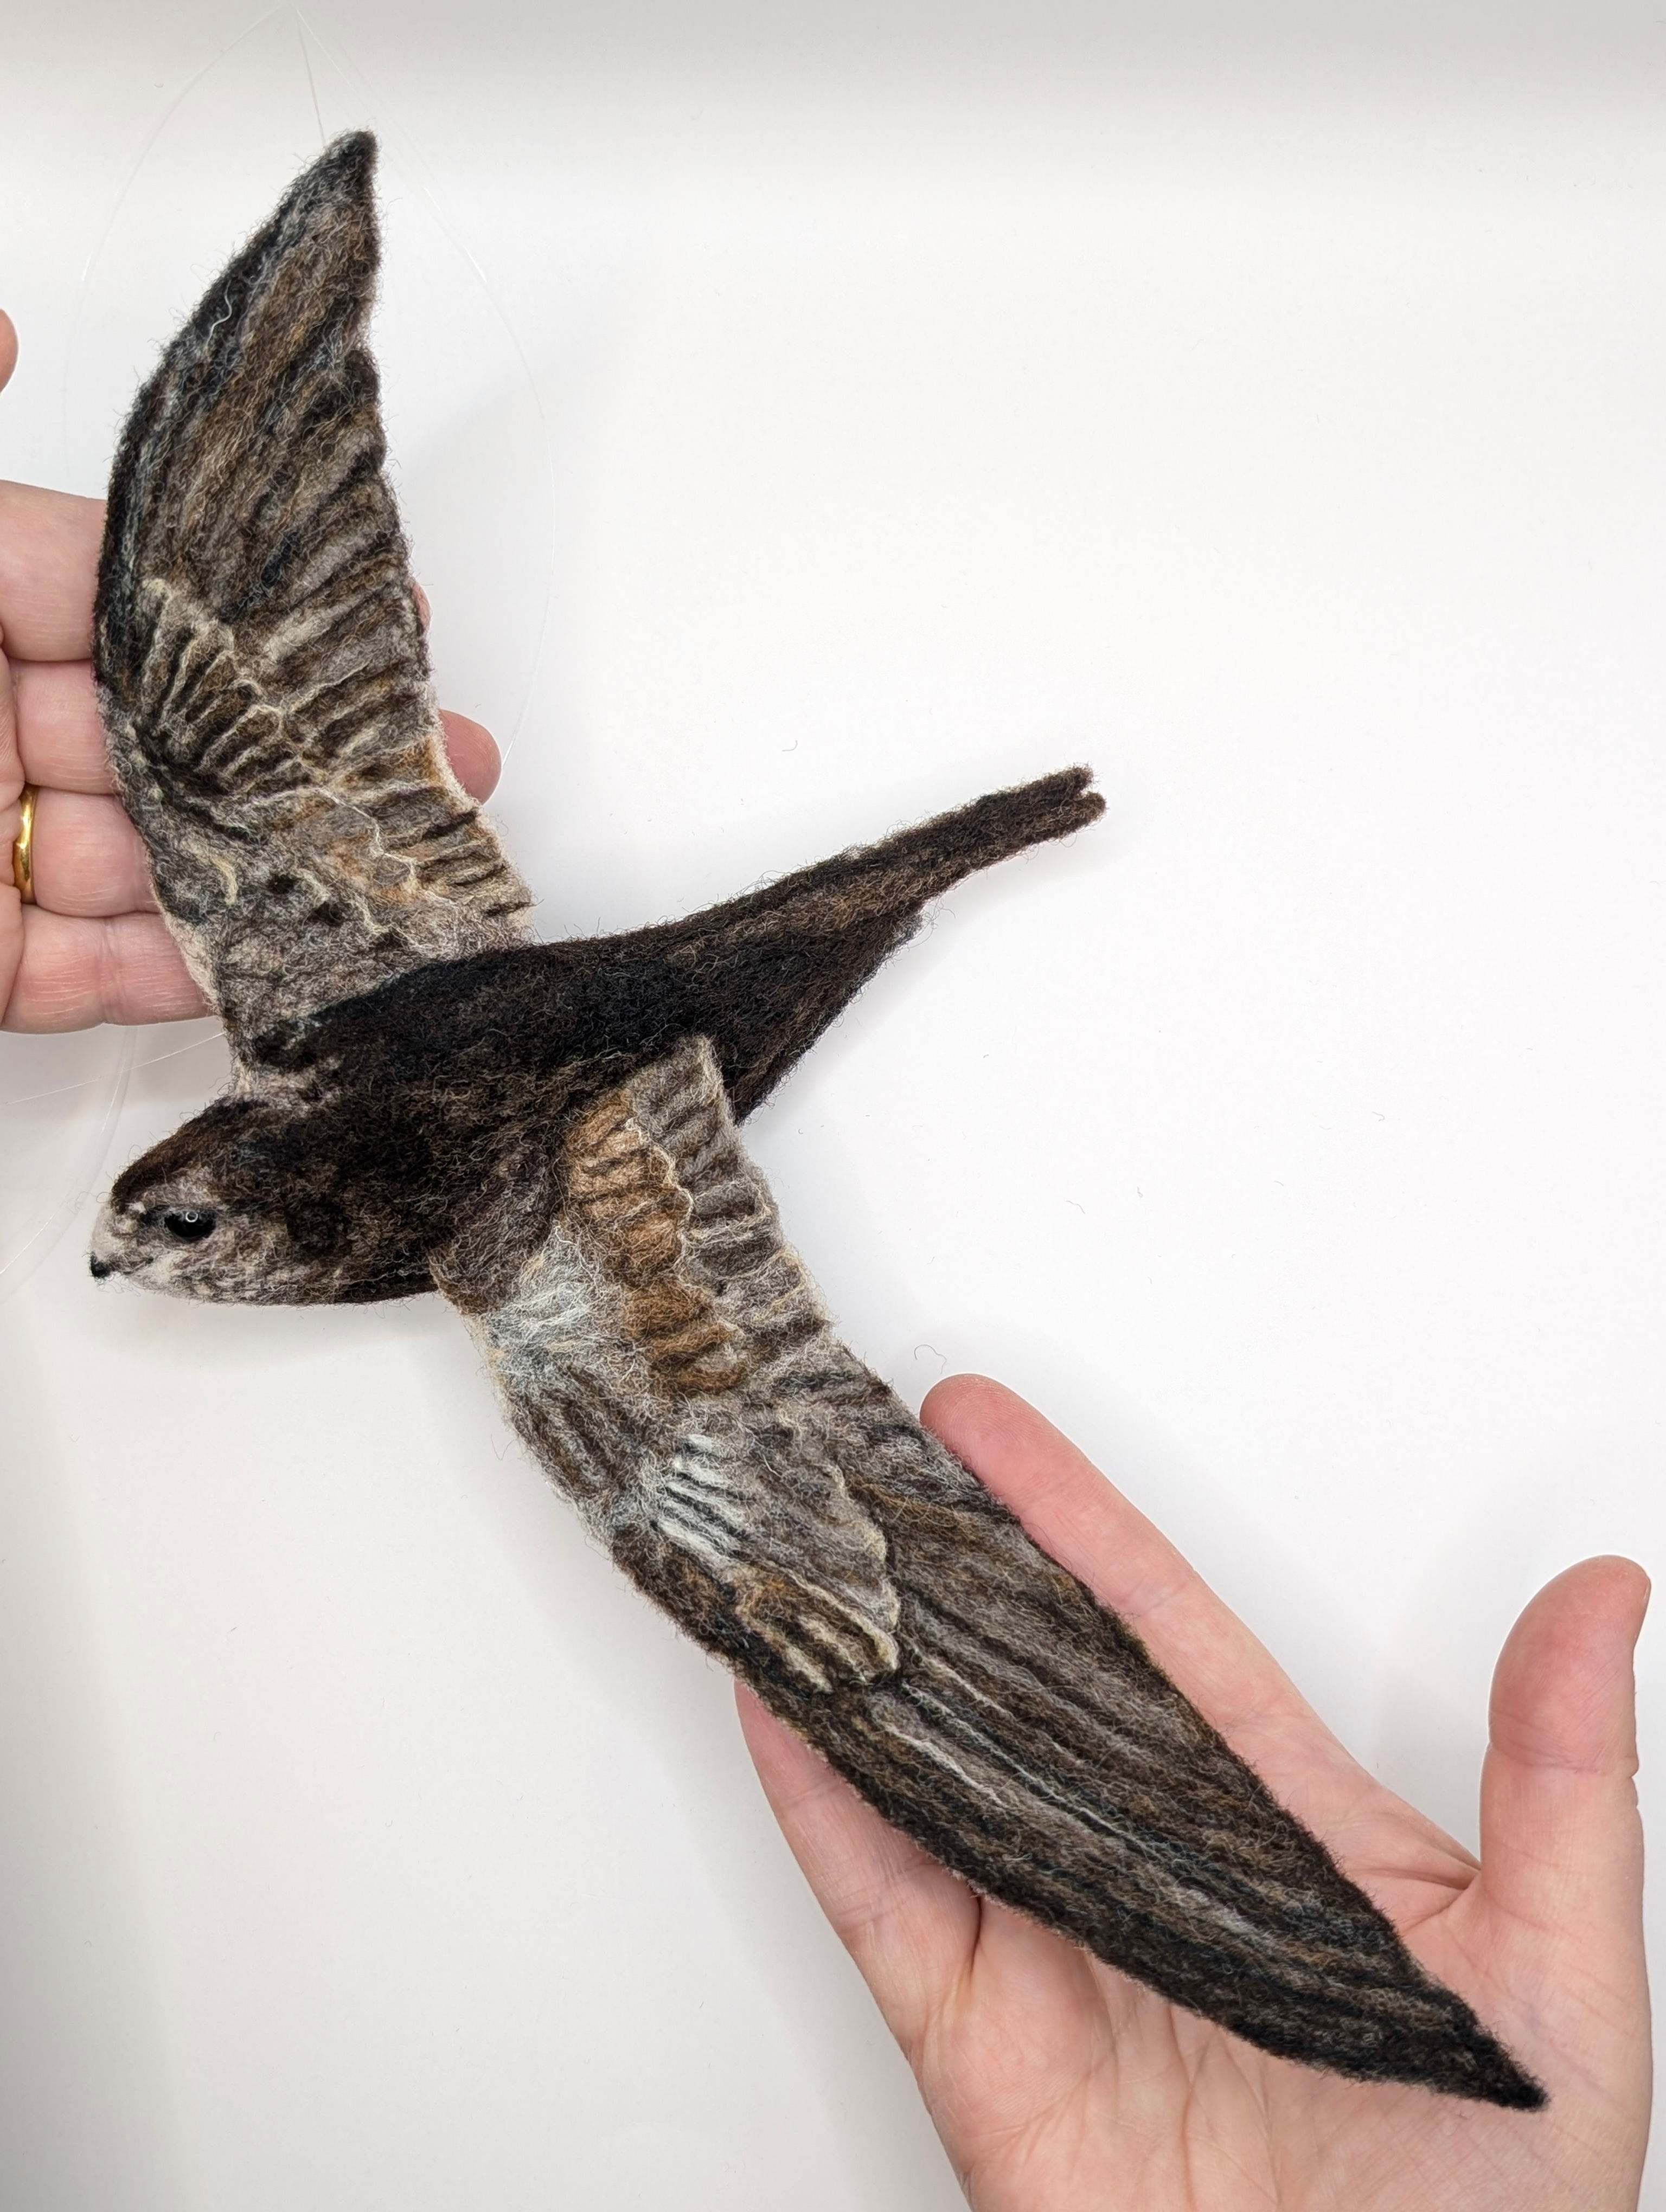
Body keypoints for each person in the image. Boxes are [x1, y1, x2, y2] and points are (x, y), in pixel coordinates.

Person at [2, 307, 1650, 2208]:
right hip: (652, 1015)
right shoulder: (316, 967)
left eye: (172, 1223)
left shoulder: (312, 987)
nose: (155, 1255)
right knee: (778, 1572)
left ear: (241, 1169)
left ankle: (935, 858)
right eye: (158, 1232)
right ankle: (1258, 1920)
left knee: (746, 1550)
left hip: (662, 1011)